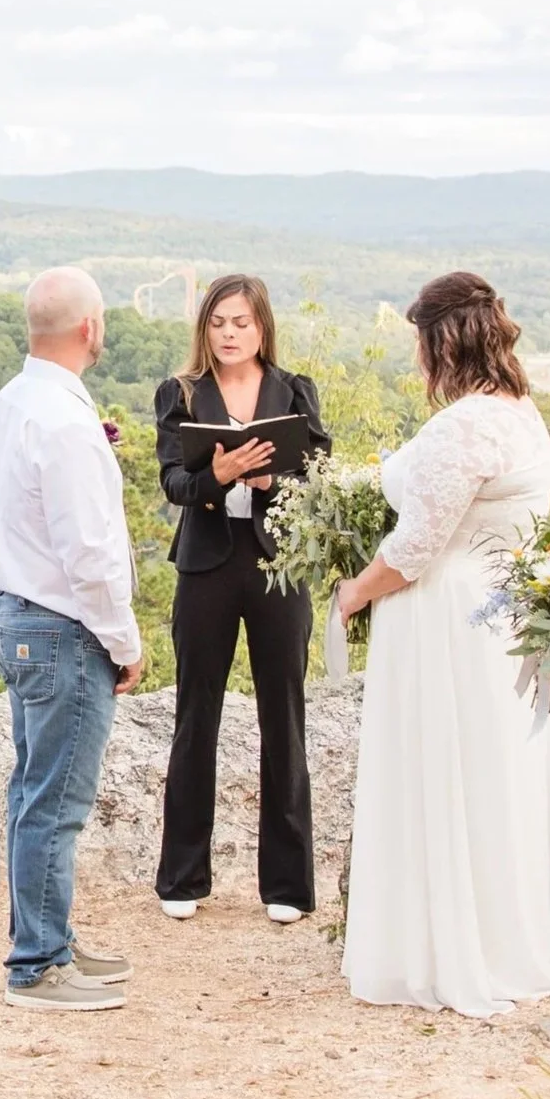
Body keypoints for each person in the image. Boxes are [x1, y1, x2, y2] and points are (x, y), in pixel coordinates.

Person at [335, 272, 550, 1016]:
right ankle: (496, 932)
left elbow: (415, 548)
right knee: (489, 776)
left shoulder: (464, 426)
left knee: (439, 768)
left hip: (443, 620)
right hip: (495, 615)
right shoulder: (522, 414)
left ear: (441, 342)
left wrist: (354, 591)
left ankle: (438, 948)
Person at [0, 266, 144, 1013]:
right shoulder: (66, 422)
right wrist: (123, 639)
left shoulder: (12, 402)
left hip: (17, 612)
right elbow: (89, 552)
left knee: (31, 791)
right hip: (60, 627)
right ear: (90, 329)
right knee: (54, 801)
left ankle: (50, 935)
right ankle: (38, 965)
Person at [152, 275, 330, 925]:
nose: (229, 334)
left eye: (241, 323)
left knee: (282, 715)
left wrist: (270, 479)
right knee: (195, 715)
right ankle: (181, 877)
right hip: (205, 563)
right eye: (218, 322)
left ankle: (287, 885)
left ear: (261, 328)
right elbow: (172, 478)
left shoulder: (293, 391)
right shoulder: (180, 392)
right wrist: (214, 477)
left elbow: (319, 472)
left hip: (275, 564)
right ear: (205, 328)